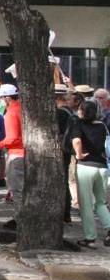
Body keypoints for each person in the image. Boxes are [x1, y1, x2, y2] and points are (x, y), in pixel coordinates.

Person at [70, 100, 110, 249]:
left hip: (86, 167)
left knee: (86, 205)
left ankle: (90, 237)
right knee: (100, 202)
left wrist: (79, 155)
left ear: (81, 111)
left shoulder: (78, 124)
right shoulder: (102, 126)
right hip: (101, 166)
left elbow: (77, 141)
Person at [0, 84, 23, 231]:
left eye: (1, 98)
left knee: (17, 190)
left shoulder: (10, 113)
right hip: (25, 153)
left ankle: (20, 220)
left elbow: (12, 138)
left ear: (7, 98)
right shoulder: (23, 109)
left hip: (16, 155)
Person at [55, 84, 77, 222]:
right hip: (67, 150)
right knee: (64, 182)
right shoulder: (70, 111)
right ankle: (66, 212)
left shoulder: (60, 113)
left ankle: (64, 212)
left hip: (61, 150)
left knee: (60, 182)